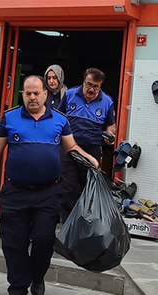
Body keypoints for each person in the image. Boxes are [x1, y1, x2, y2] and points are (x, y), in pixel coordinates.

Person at [0, 75, 98, 295]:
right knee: (14, 242)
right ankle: (17, 289)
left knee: (44, 239)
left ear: (46, 94)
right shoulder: (9, 118)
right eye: (28, 93)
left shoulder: (60, 119)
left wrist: (89, 159)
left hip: (49, 192)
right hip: (15, 191)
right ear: (22, 95)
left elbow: (71, 146)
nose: (32, 97)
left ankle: (37, 276)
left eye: (37, 93)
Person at [57, 67, 116, 223]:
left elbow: (111, 125)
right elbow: (58, 117)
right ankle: (68, 224)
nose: (92, 89)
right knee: (68, 186)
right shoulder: (70, 95)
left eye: (96, 86)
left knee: (87, 188)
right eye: (89, 84)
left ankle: (83, 223)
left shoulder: (107, 101)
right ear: (83, 82)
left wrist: (111, 135)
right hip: (68, 147)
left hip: (92, 149)